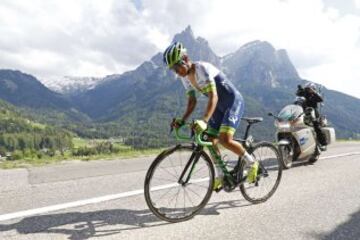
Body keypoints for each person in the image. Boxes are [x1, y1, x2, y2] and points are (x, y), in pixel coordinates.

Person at [163, 41, 258, 191]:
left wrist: (204, 120)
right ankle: (221, 174)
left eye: (177, 66)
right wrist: (182, 120)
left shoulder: (202, 68)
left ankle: (252, 163)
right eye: (173, 69)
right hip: (219, 107)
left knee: (224, 139)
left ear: (186, 59)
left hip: (232, 102)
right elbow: (192, 101)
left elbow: (213, 96)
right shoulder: (185, 77)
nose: (176, 71)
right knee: (209, 140)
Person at [296, 83, 327, 149]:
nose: (308, 90)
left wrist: (314, 92)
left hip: (313, 113)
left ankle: (323, 143)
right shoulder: (304, 94)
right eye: (307, 89)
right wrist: (300, 89)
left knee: (316, 127)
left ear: (313, 89)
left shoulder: (314, 95)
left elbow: (321, 99)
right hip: (303, 113)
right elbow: (297, 94)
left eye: (309, 89)